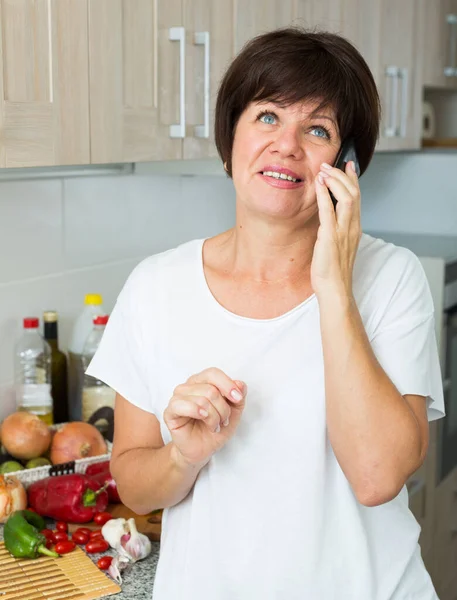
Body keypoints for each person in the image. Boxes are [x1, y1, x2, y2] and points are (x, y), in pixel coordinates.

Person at [87, 28, 444, 600]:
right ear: (232, 135)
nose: (288, 145)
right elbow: (135, 486)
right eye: (268, 116)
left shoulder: (391, 278)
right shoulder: (156, 286)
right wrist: (184, 455)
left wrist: (333, 286)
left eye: (318, 129)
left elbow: (377, 477)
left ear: (346, 165)